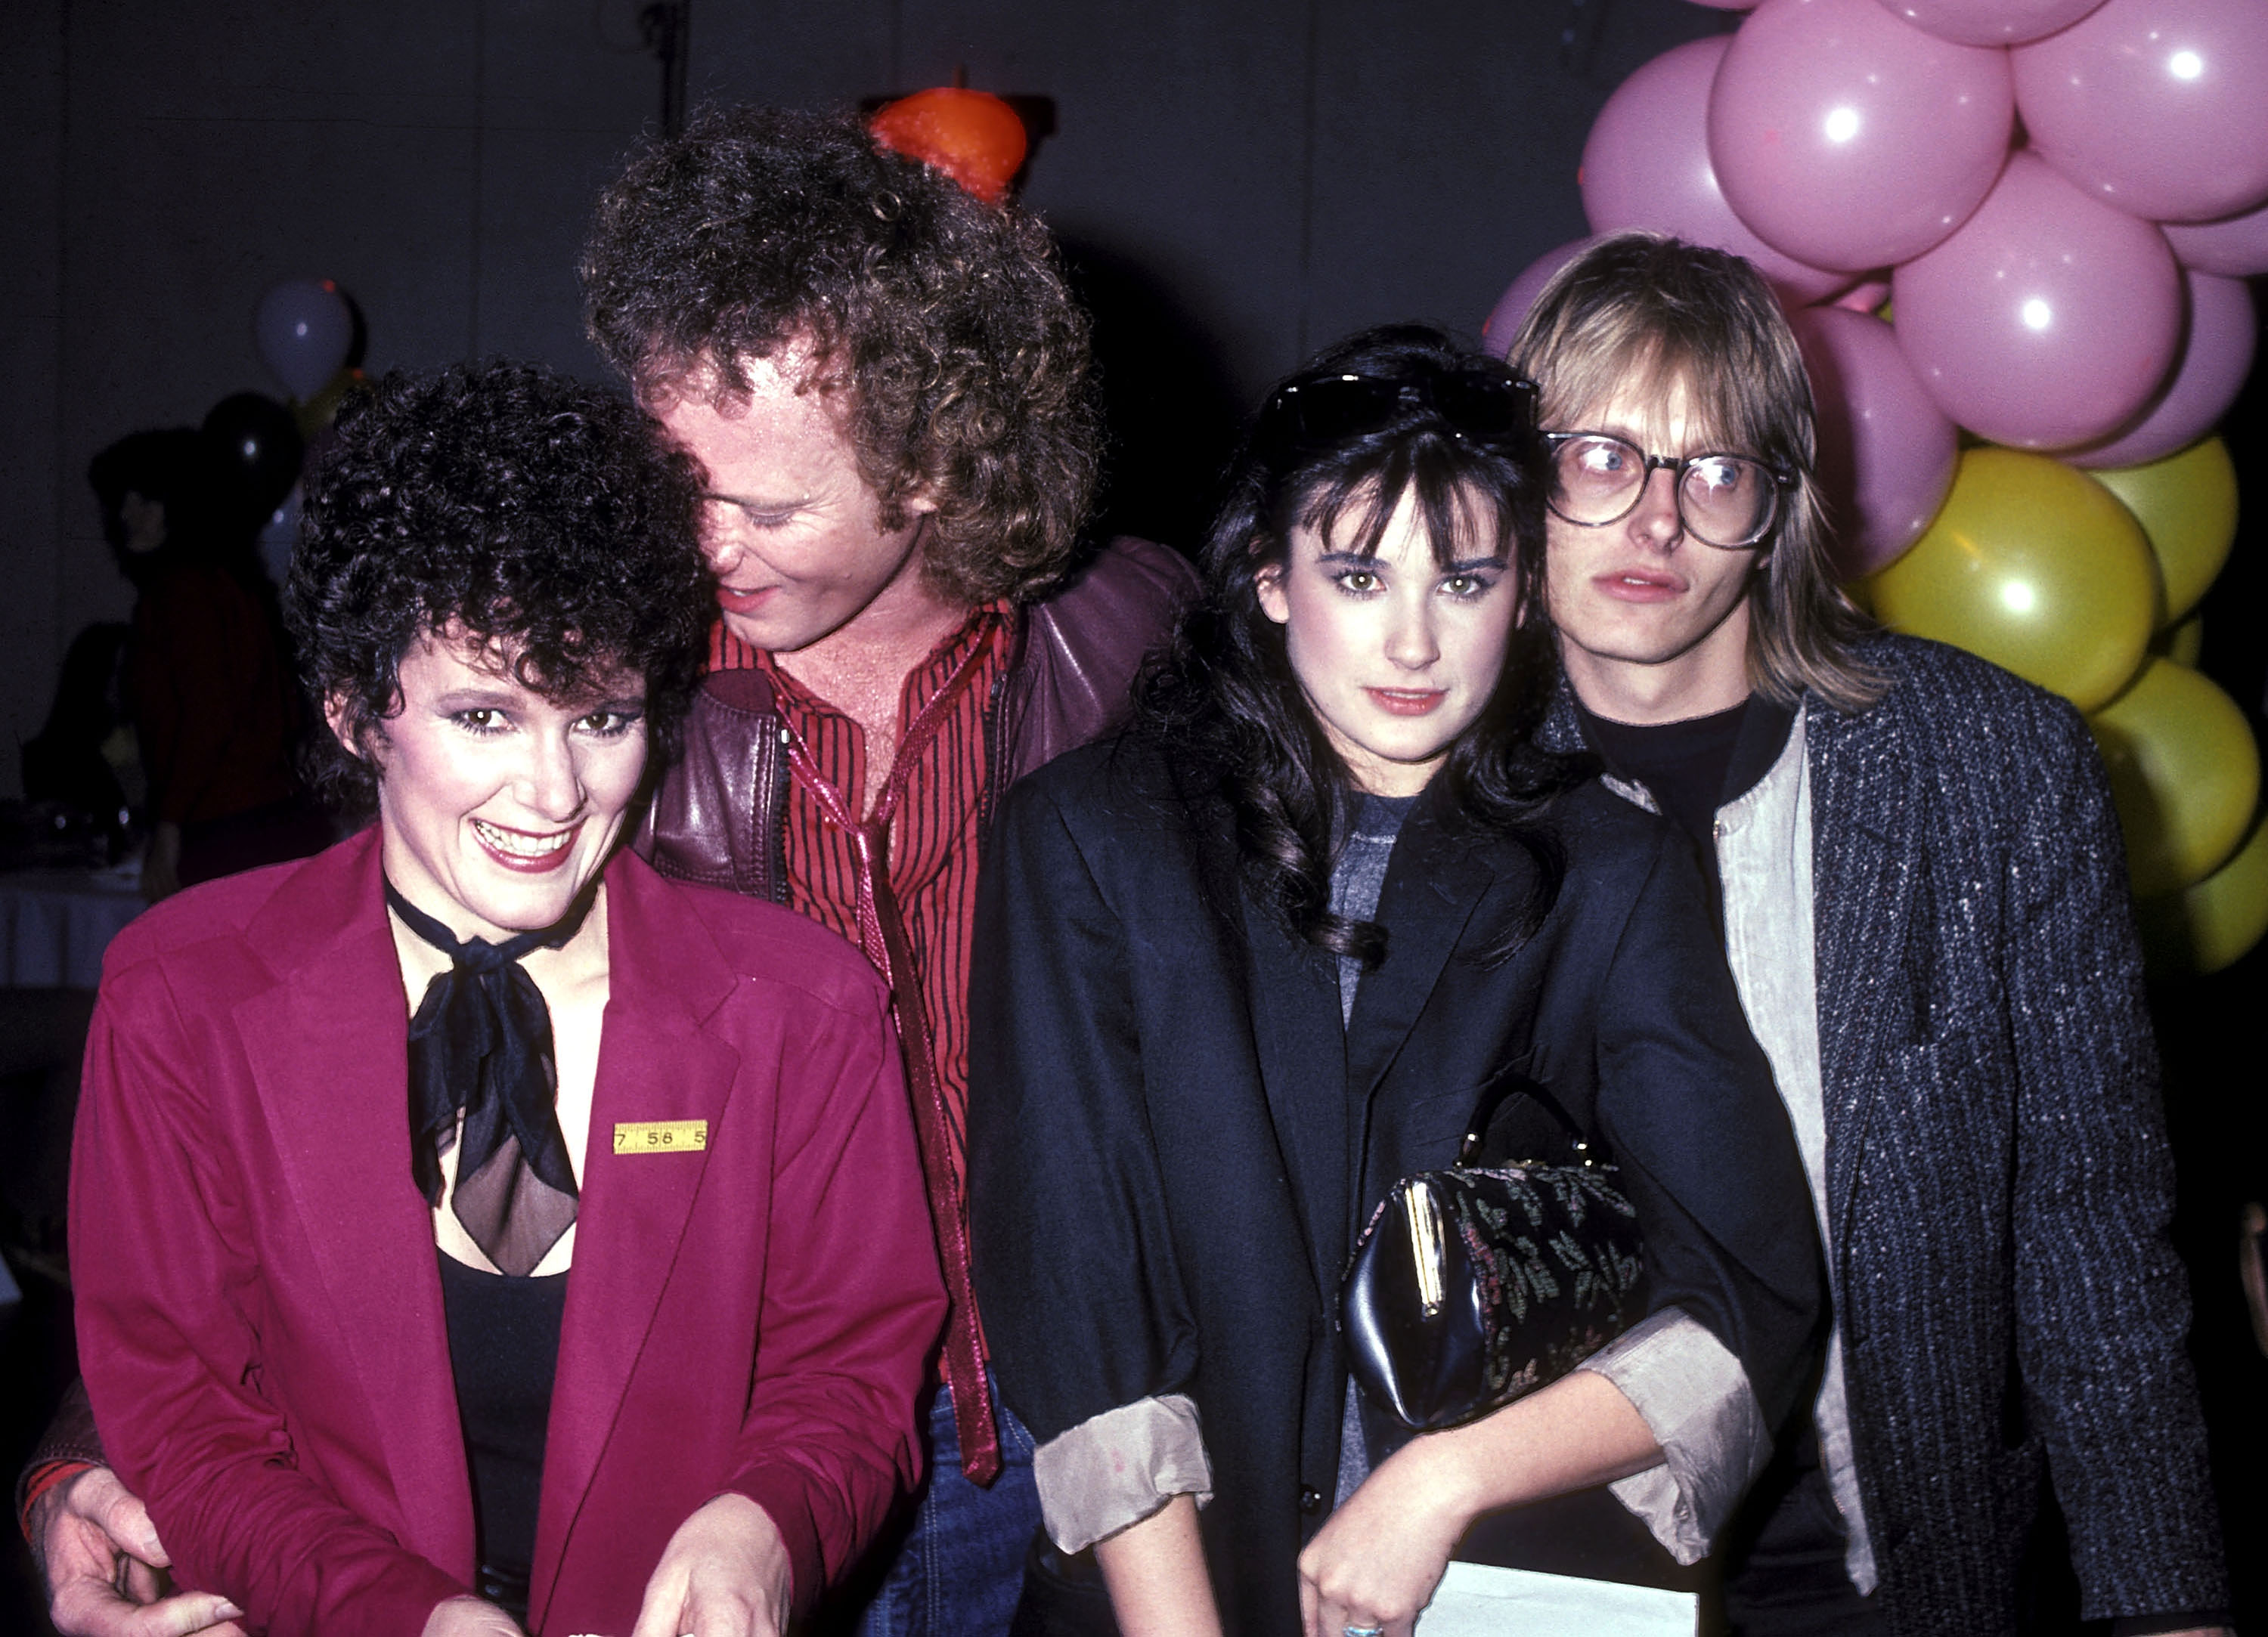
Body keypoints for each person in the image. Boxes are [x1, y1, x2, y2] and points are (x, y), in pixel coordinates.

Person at [23, 104, 1194, 1637]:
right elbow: (299, 1052)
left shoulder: (1130, 654)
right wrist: (88, 1459)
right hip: (691, 1441)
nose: (698, 545)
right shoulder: (602, 653)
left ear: (930, 464)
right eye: (677, 479)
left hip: (1036, 1421)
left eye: (764, 505)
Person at [966, 326, 1826, 1637]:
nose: (1415, 641)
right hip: (1173, 1598)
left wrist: (1439, 1480)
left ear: (1526, 593)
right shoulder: (1092, 835)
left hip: (1514, 1593)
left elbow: (1745, 1288)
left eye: (1466, 581)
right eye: (1359, 575)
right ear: (1269, 577)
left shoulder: (1613, 864)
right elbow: (1081, 1297)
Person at [64, 361, 946, 1637]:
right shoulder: (181, 1000)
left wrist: (767, 1522)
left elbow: (849, 1375)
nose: (553, 793)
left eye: (601, 719)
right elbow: (185, 1418)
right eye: (486, 714)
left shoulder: (797, 1011)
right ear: (358, 710)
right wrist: (403, 1614)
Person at [1505, 232, 2231, 1635]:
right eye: (1600, 456)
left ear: (1778, 505)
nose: (1656, 522)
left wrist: (2170, 1605)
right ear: (1522, 477)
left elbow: (2093, 1238)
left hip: (1884, 1565)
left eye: (1713, 470)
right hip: (1533, 1575)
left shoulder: (1990, 770)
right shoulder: (1437, 782)